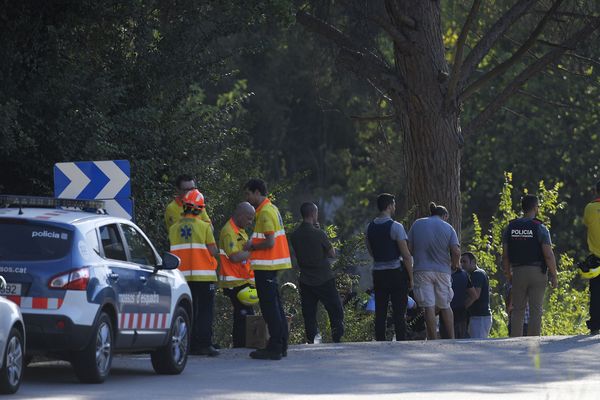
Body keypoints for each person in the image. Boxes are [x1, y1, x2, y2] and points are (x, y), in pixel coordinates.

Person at [243, 178, 292, 360]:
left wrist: (252, 246)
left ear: (257, 192)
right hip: (270, 265)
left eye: (248, 194)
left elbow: (270, 241)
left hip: (266, 265)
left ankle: (275, 347)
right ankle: (281, 345)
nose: (247, 198)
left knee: (270, 308)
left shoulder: (264, 212)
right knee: (276, 306)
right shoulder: (271, 208)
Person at [169, 189, 219, 356]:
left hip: (181, 277)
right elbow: (213, 250)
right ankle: (204, 344)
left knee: (188, 311)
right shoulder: (204, 227)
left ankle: (187, 344)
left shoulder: (174, 228)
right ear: (199, 208)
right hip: (204, 276)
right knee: (205, 311)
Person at [502, 194, 558, 337]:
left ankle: (515, 340)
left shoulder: (511, 227)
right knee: (536, 310)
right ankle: (533, 343)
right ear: (535, 207)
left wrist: (508, 274)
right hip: (537, 272)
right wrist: (554, 275)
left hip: (518, 271)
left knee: (518, 310)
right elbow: (548, 255)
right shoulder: (540, 227)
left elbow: (506, 255)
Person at [290, 202, 344, 343]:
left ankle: (311, 340)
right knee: (335, 310)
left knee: (309, 313)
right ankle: (337, 339)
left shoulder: (295, 235)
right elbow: (332, 253)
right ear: (314, 214)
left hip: (306, 279)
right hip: (324, 278)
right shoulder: (319, 233)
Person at [408, 202, 460, 340]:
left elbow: (409, 248)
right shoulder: (448, 228)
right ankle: (452, 338)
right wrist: (455, 265)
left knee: (429, 306)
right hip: (443, 270)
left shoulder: (417, 224)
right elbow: (456, 250)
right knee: (445, 305)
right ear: (445, 215)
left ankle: (432, 340)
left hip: (422, 270)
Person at [365, 193, 414, 341]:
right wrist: (411, 277)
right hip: (395, 272)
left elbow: (371, 251)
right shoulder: (395, 226)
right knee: (399, 310)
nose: (395, 206)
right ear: (389, 206)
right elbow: (405, 255)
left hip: (378, 272)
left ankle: (380, 339)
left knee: (381, 309)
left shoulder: (369, 227)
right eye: (393, 204)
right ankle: (401, 340)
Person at [218, 202, 256, 348]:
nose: (250, 222)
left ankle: (241, 344)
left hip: (242, 280)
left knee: (244, 315)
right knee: (244, 314)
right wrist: (254, 251)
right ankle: (241, 345)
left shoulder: (240, 230)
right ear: (240, 215)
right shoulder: (229, 231)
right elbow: (234, 256)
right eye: (249, 218)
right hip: (235, 281)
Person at [583, 180, 600, 334]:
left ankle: (595, 325)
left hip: (596, 258)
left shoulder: (590, 208)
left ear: (596, 191)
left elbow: (587, 223)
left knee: (595, 293)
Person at [462, 252, 492, 338]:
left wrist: (462, 308)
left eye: (465, 261)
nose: (462, 264)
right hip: (478, 317)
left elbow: (475, 296)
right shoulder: (476, 274)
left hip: (480, 318)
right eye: (461, 262)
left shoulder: (477, 274)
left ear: (473, 262)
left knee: (479, 346)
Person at [440, 264, 470, 339]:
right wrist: (464, 306)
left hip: (445, 314)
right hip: (461, 314)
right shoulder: (464, 274)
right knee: (462, 341)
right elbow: (474, 295)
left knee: (447, 342)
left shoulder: (442, 275)